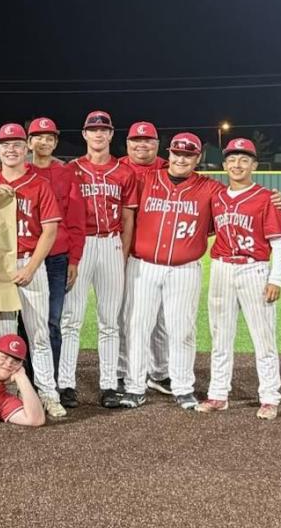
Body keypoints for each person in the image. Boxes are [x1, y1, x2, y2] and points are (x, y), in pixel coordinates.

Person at [120, 133, 221, 410]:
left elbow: (237, 200)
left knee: (182, 330)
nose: (181, 159)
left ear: (197, 158)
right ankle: (134, 386)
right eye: (177, 153)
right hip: (143, 266)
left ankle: (183, 387)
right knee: (137, 327)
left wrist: (273, 197)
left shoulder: (210, 188)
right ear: (169, 154)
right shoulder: (146, 180)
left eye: (188, 155)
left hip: (184, 270)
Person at [0, 123, 65, 418]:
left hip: (29, 261)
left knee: (39, 335)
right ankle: (6, 395)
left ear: (26, 147)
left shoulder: (39, 183)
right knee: (1, 338)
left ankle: (48, 394)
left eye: (16, 144)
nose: (10, 149)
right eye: (4, 144)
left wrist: (31, 267)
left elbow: (50, 231)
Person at [197, 138, 281, 420]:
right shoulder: (217, 196)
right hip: (221, 268)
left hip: (254, 269)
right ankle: (218, 394)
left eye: (244, 159)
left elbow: (280, 244)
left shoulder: (266, 198)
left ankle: (270, 397)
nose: (237, 164)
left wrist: (277, 279)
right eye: (232, 160)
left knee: (264, 338)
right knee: (220, 336)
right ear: (224, 165)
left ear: (254, 165)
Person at [56, 111, 137, 409]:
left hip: (111, 243)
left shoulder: (124, 172)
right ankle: (65, 383)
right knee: (71, 319)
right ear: (85, 134)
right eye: (93, 130)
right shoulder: (71, 170)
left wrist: (123, 254)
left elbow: (128, 218)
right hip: (82, 245)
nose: (98, 134)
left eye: (104, 130)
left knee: (109, 321)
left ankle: (108, 384)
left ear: (111, 134)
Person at [25, 116, 85, 400]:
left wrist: (74, 259)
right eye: (38, 136)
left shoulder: (66, 173)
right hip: (24, 255)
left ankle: (54, 383)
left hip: (57, 256)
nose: (44, 141)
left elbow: (76, 219)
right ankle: (26, 382)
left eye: (50, 137)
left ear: (55, 142)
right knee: (22, 322)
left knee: (51, 321)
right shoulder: (18, 171)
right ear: (29, 142)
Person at [117, 121, 174, 396]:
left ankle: (160, 372)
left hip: (159, 254)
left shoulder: (170, 168)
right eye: (136, 140)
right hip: (124, 252)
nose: (142, 145)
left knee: (161, 318)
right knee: (123, 316)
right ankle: (121, 370)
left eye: (148, 140)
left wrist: (272, 196)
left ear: (157, 143)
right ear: (127, 144)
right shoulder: (117, 168)